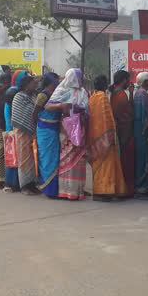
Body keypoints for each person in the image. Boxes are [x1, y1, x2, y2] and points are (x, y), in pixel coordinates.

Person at [49, 68, 89, 200]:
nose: (81, 80)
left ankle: (77, 190)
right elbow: (48, 105)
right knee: (66, 156)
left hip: (80, 127)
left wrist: (80, 110)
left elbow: (88, 110)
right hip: (66, 127)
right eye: (79, 77)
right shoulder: (62, 90)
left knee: (79, 158)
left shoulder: (83, 91)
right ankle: (66, 190)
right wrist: (62, 105)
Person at [88, 75, 129, 201]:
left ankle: (103, 191)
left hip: (95, 136)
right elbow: (107, 118)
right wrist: (110, 134)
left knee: (99, 165)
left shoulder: (93, 96)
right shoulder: (102, 97)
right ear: (104, 85)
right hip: (105, 137)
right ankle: (103, 191)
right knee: (106, 165)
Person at [11, 74, 41, 195]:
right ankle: (24, 186)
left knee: (33, 159)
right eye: (33, 83)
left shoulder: (34, 96)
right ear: (26, 85)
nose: (35, 85)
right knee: (24, 159)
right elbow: (25, 113)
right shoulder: (19, 97)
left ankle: (33, 184)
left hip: (33, 131)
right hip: (22, 131)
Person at [35, 73, 61, 197]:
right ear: (49, 84)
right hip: (44, 130)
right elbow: (34, 114)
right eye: (54, 82)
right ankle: (47, 189)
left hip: (54, 129)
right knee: (46, 159)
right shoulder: (42, 96)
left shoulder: (56, 95)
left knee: (54, 159)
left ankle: (54, 189)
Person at [111, 70, 136, 194]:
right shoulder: (120, 94)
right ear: (124, 80)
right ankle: (124, 188)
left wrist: (131, 93)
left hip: (121, 130)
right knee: (125, 161)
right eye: (128, 80)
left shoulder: (116, 92)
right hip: (123, 131)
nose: (129, 82)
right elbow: (124, 114)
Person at [133, 72, 148, 198]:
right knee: (143, 159)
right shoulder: (142, 94)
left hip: (140, 131)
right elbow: (146, 114)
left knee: (144, 158)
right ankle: (141, 188)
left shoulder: (139, 93)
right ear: (145, 82)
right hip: (143, 131)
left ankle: (144, 187)